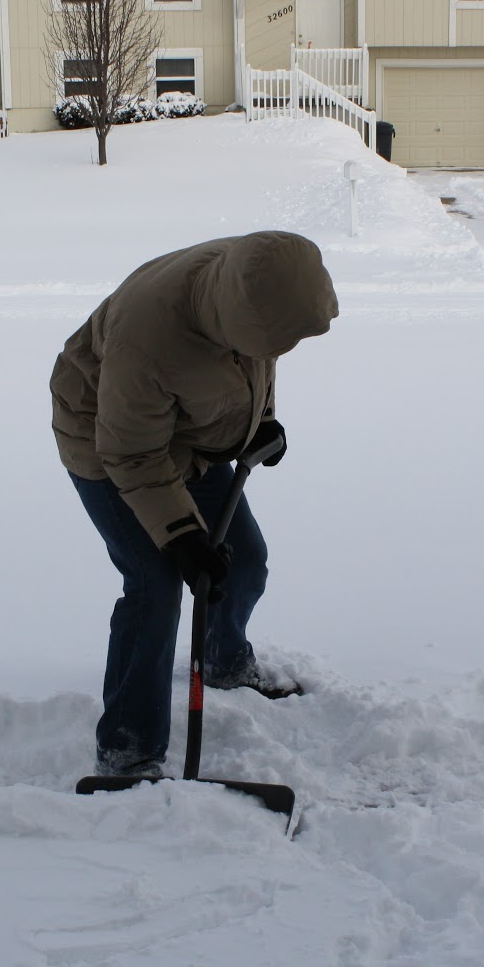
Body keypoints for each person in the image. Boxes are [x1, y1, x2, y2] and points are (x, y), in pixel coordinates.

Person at [50, 231, 339, 778]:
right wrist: (181, 536)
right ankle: (128, 750)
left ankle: (225, 661)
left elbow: (255, 360)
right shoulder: (149, 334)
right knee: (155, 585)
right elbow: (131, 453)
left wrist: (260, 421)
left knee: (243, 560)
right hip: (108, 443)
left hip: (190, 438)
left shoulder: (255, 277)